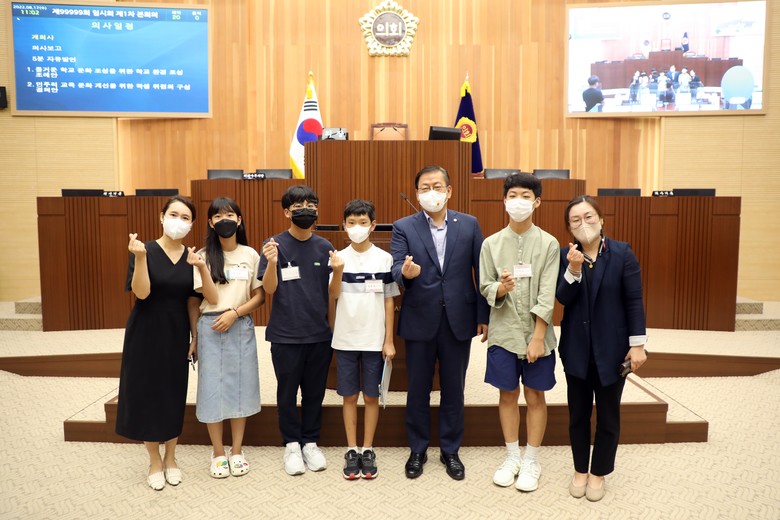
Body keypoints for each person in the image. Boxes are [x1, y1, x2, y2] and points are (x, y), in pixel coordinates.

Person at [390, 165, 489, 481]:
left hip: (459, 318)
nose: (430, 192)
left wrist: (483, 316)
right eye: (424, 187)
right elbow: (396, 267)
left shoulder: (469, 224)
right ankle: (417, 449)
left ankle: (450, 450)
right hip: (420, 318)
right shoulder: (404, 226)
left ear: (449, 191)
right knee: (417, 388)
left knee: (454, 389)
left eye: (436, 186)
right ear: (417, 193)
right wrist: (405, 274)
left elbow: (481, 271)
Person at [116, 195, 218, 491]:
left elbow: (196, 301)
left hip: (176, 332)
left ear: (192, 224)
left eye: (186, 218)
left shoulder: (192, 256)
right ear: (161, 217)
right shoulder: (143, 249)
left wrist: (195, 337)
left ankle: (171, 457)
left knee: (173, 393)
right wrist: (140, 258)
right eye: (174, 215)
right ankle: (154, 460)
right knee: (148, 393)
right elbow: (142, 293)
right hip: (145, 330)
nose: (179, 221)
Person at [556, 195, 648, 502]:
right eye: (576, 220)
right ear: (569, 228)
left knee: (608, 416)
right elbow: (563, 298)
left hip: (612, 350)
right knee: (577, 415)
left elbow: (634, 301)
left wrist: (638, 345)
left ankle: (598, 473)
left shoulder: (622, 253)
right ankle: (580, 470)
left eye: (589, 217)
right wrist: (573, 269)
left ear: (601, 220)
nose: (583, 224)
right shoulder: (564, 255)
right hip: (576, 350)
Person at [478, 173, 559, 492]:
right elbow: (485, 285)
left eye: (525, 196)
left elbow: (547, 294)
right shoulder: (491, 244)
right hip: (504, 332)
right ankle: (512, 456)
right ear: (504, 200)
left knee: (536, 395)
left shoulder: (549, 243)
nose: (518, 201)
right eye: (512, 195)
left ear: (537, 202)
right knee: (507, 394)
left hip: (538, 336)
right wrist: (501, 288)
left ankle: (531, 459)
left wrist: (538, 338)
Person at [259, 185, 335, 476]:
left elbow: (333, 292)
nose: (306, 210)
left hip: (319, 333)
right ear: (286, 212)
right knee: (287, 393)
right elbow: (268, 289)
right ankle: (291, 444)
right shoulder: (274, 245)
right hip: (285, 334)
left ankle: (310, 442)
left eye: (311, 205)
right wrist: (272, 263)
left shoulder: (325, 247)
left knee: (315, 393)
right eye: (298, 206)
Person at [194, 197, 264, 479]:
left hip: (240, 323)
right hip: (211, 325)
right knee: (211, 388)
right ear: (210, 223)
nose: (225, 220)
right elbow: (210, 298)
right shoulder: (202, 255)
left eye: (230, 215)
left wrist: (235, 313)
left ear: (239, 220)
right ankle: (218, 452)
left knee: (240, 387)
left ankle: (236, 450)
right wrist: (201, 266)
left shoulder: (250, 254)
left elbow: (259, 296)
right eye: (218, 216)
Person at [330, 199, 400, 480]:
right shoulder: (337, 257)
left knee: (371, 396)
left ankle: (368, 449)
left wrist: (389, 340)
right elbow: (334, 294)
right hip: (345, 339)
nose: (356, 227)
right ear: (343, 226)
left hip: (374, 339)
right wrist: (337, 270)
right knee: (349, 396)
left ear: (373, 225)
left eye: (362, 222)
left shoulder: (384, 258)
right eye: (351, 223)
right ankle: (351, 449)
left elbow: (389, 301)